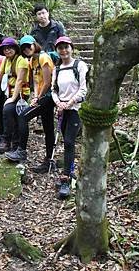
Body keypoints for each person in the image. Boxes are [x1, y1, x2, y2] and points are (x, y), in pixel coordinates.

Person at [5, 35, 55, 171]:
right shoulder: (33, 60)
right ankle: (49, 161)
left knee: (23, 116)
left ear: (34, 44)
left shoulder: (43, 57)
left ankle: (21, 150)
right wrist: (36, 96)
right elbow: (37, 82)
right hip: (43, 97)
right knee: (48, 128)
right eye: (24, 48)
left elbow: (48, 81)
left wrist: (38, 97)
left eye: (29, 46)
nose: (27, 49)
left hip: (49, 97)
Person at [51, 36, 88, 199]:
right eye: (60, 48)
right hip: (62, 108)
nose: (64, 51)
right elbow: (53, 90)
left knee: (69, 142)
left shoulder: (79, 65)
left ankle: (66, 178)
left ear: (71, 48)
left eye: (66, 47)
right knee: (66, 142)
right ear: (57, 51)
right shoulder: (57, 69)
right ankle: (70, 171)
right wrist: (58, 102)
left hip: (75, 109)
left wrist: (70, 102)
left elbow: (83, 89)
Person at [0, 37, 30, 155]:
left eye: (10, 48)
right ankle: (10, 143)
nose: (7, 51)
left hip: (20, 94)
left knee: (9, 111)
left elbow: (19, 80)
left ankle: (10, 143)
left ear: (15, 48)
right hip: (9, 93)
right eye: (5, 49)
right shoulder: (6, 61)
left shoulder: (21, 61)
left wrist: (13, 99)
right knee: (11, 115)